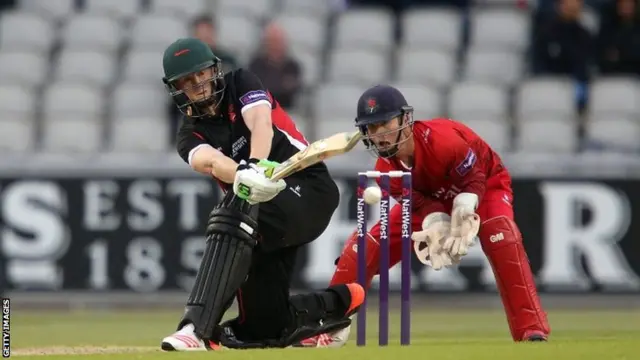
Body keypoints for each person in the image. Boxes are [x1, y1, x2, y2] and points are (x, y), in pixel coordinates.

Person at [298, 85, 551, 347]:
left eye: (384, 123)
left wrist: (464, 206)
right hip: (431, 197)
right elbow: (419, 204)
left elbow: (475, 176)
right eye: (371, 128)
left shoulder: (443, 141)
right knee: (363, 247)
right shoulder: (387, 172)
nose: (379, 135)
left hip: (485, 185)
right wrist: (437, 224)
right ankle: (327, 327)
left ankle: (532, 331)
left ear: (405, 120)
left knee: (501, 236)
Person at [159, 37, 364, 351]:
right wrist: (243, 175)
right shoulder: (188, 134)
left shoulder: (241, 82)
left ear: (214, 69)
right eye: (188, 80)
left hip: (307, 188)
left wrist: (255, 165)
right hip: (261, 216)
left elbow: (260, 123)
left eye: (202, 74)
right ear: (177, 88)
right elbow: (211, 161)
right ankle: (336, 305)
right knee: (260, 329)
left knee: (232, 210)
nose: (199, 83)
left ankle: (195, 327)